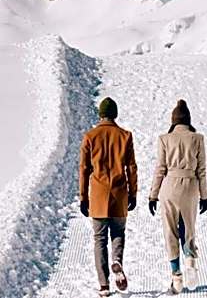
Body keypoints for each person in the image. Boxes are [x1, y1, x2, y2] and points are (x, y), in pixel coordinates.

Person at [148, 99, 207, 295]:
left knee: (170, 232)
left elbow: (160, 169)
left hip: (170, 187)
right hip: (191, 186)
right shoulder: (197, 138)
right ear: (188, 120)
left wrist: (153, 195)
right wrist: (204, 196)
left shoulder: (165, 139)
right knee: (188, 228)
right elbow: (202, 170)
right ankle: (190, 261)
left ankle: (177, 278)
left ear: (174, 120)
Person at [79, 97, 138, 297]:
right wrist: (133, 193)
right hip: (119, 194)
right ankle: (117, 261)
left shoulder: (90, 137)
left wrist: (83, 197)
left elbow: (84, 169)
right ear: (115, 114)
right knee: (118, 233)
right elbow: (131, 167)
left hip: (97, 195)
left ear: (100, 114)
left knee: (99, 239)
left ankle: (104, 286)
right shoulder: (125, 136)